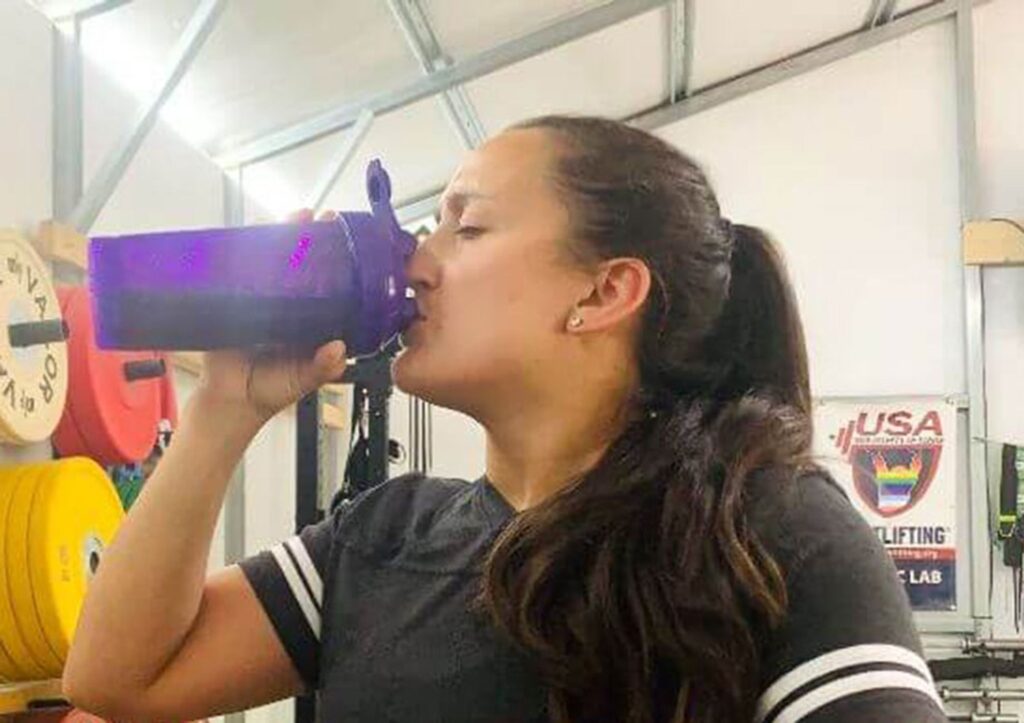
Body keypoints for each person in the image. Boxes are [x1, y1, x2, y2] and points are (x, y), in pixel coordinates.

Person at [63, 116, 947, 723]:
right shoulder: (380, 536)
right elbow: (118, 675)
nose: (415, 262)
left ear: (605, 291)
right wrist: (225, 407)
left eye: (466, 227)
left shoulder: (762, 528)